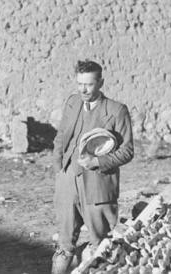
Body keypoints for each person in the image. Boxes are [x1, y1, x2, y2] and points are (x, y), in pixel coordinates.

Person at [51, 60, 134, 274]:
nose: (83, 90)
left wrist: (97, 162)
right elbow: (61, 136)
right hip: (68, 181)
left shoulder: (117, 111)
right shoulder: (72, 102)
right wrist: (59, 167)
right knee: (64, 243)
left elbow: (127, 151)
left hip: (98, 185)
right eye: (79, 84)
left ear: (100, 83)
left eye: (88, 84)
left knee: (103, 245)